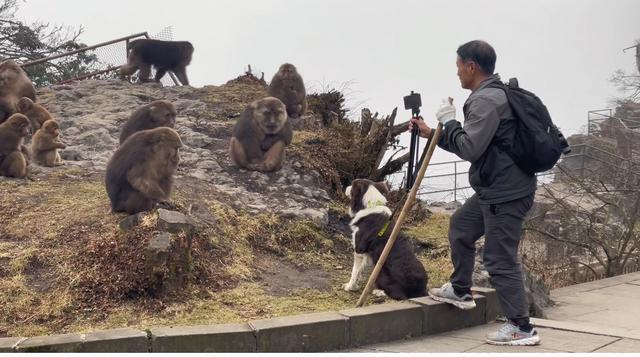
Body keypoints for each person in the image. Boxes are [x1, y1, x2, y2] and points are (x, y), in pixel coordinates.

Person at [408, 40, 540, 346]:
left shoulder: (484, 101)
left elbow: (470, 148)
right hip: (495, 187)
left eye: (458, 66)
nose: (457, 73)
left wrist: (450, 121)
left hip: (505, 193)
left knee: (499, 258)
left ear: (472, 67)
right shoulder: (496, 94)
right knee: (461, 228)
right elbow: (477, 144)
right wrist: (434, 134)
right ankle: (460, 289)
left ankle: (521, 327)